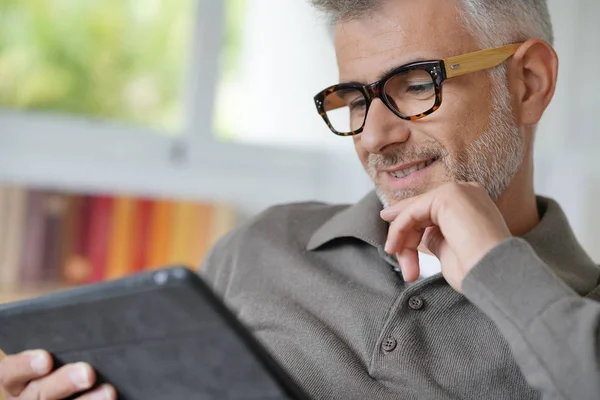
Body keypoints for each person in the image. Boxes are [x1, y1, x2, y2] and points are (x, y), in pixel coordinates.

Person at [1, 0, 599, 399]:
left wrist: (500, 272)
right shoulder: (263, 246)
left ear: (528, 83)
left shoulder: (583, 318)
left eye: (417, 85)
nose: (373, 136)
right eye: (355, 99)